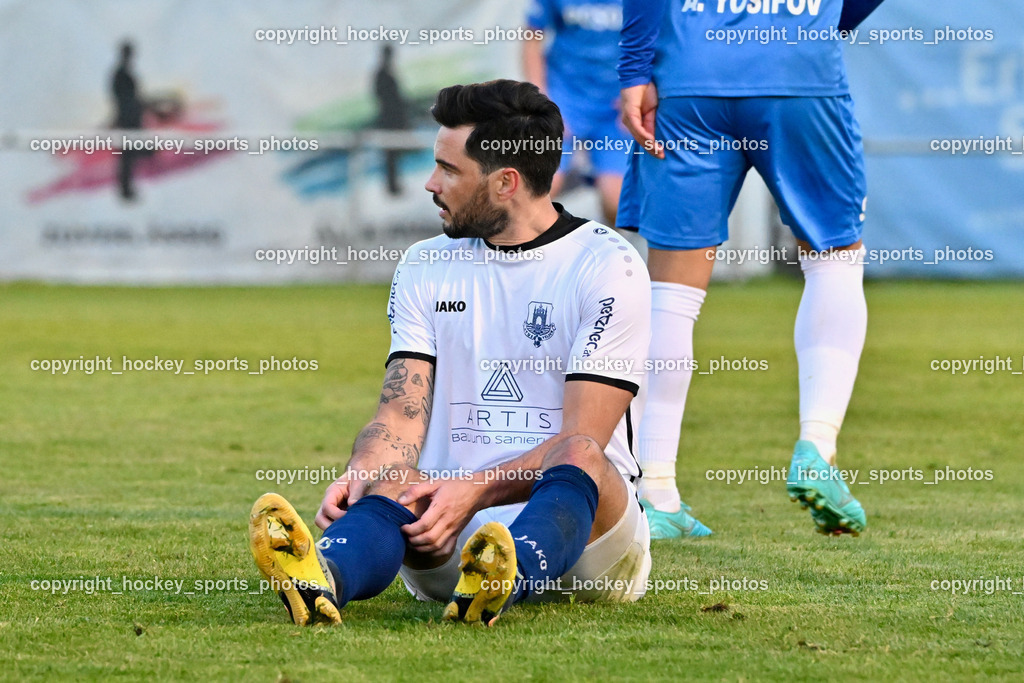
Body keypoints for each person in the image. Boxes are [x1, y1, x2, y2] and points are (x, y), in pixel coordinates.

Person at [249, 79, 652, 626]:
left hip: (587, 545)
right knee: (391, 470)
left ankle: (502, 581)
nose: (429, 183)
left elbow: (584, 437)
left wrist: (477, 488)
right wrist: (362, 473)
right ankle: (323, 577)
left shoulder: (607, 264)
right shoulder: (424, 263)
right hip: (443, 529)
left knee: (581, 454)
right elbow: (400, 412)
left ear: (506, 182)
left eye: (449, 169)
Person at [617, 0, 886, 538]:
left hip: (692, 67)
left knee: (670, 289)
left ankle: (656, 493)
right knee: (834, 260)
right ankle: (817, 449)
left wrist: (633, 70)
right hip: (797, 61)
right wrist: (820, 21)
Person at [522, 1, 629, 226]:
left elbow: (660, 44)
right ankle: (528, 252)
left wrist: (638, 95)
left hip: (616, 105)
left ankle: (610, 248)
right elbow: (532, 38)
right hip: (565, 98)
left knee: (617, 203)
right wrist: (542, 101)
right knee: (540, 190)